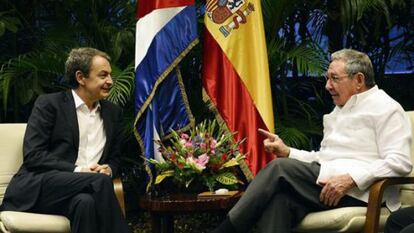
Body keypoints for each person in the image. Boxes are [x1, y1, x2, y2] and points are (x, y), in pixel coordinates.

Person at [212, 48, 412, 233]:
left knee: (278, 169)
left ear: (359, 80)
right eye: (327, 78)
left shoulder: (386, 108)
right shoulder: (339, 109)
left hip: (363, 194)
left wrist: (352, 178)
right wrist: (288, 152)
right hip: (327, 185)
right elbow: (324, 158)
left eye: (334, 79)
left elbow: (400, 161)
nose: (327, 86)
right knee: (280, 202)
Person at [0, 47, 130, 233]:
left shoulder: (113, 113)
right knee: (99, 181)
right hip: (43, 186)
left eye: (109, 75)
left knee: (84, 203)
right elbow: (34, 156)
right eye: (103, 75)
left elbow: (116, 158)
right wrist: (80, 170)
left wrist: (109, 168)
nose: (110, 81)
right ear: (80, 77)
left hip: (84, 192)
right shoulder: (49, 104)